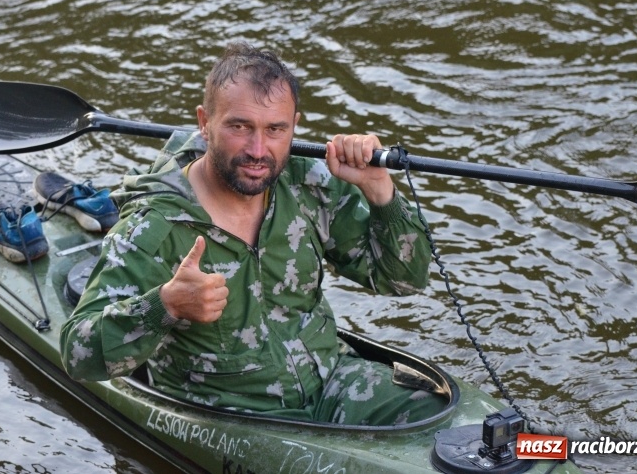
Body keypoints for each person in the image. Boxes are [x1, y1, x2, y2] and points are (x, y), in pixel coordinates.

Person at [60, 42, 444, 425]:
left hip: (333, 383)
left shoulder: (309, 187)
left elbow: (406, 282)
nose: (258, 150)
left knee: (444, 423)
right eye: (240, 127)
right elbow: (78, 353)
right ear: (204, 122)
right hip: (234, 414)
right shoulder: (154, 226)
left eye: (275, 129)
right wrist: (166, 305)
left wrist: (381, 192)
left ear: (294, 125)